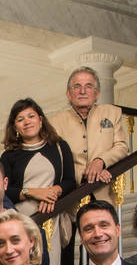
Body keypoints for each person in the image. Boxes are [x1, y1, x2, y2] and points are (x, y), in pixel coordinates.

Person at [0, 98, 77, 265]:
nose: (27, 121)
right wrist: (33, 192)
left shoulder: (59, 146)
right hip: (23, 218)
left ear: (41, 120)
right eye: (20, 119)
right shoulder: (9, 155)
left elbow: (70, 181)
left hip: (52, 216)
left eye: (31, 116)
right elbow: (4, 190)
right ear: (15, 127)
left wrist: (54, 192)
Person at [51, 67, 131, 208]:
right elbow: (56, 161)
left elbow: (122, 147)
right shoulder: (55, 122)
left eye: (88, 86)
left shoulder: (112, 112)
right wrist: (86, 173)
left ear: (97, 93)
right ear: (68, 94)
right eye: (77, 87)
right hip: (73, 199)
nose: (82, 91)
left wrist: (101, 162)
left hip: (105, 192)